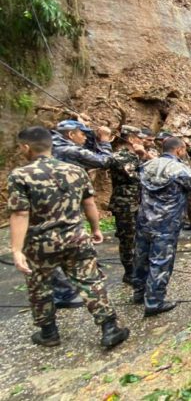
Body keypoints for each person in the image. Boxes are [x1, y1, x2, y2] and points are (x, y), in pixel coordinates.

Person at [7, 127, 130, 349]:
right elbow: (89, 203)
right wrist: (95, 229)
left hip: (40, 243)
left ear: (26, 147)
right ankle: (110, 328)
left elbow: (20, 213)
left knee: (40, 286)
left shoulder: (20, 175)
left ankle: (48, 332)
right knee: (90, 281)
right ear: (50, 145)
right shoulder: (75, 171)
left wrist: (16, 249)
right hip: (76, 237)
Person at [133, 136, 191, 317]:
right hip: (166, 223)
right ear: (179, 150)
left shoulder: (147, 165)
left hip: (144, 219)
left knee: (141, 257)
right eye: (184, 150)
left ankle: (139, 292)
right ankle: (154, 301)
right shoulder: (180, 169)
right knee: (161, 261)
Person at [50, 119, 115, 308]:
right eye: (82, 133)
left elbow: (83, 147)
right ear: (71, 135)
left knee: (50, 243)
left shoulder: (50, 146)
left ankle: (63, 287)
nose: (85, 137)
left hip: (45, 204)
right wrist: (104, 140)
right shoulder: (71, 151)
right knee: (69, 241)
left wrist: (85, 129)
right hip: (65, 205)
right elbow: (104, 161)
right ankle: (68, 291)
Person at [109, 125, 151, 284]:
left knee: (140, 237)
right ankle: (130, 272)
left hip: (138, 202)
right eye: (140, 138)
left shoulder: (137, 156)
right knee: (128, 238)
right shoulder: (120, 156)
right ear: (132, 139)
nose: (143, 141)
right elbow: (137, 177)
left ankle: (139, 268)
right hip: (125, 204)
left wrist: (142, 156)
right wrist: (142, 157)